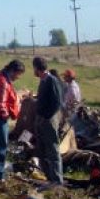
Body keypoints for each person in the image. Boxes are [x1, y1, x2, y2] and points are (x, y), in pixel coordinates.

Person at [33, 57, 64, 185]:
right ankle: (49, 178)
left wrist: (46, 117)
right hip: (42, 118)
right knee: (42, 149)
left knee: (52, 149)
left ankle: (57, 180)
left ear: (36, 68)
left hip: (49, 119)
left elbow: (57, 102)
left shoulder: (52, 80)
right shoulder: (43, 80)